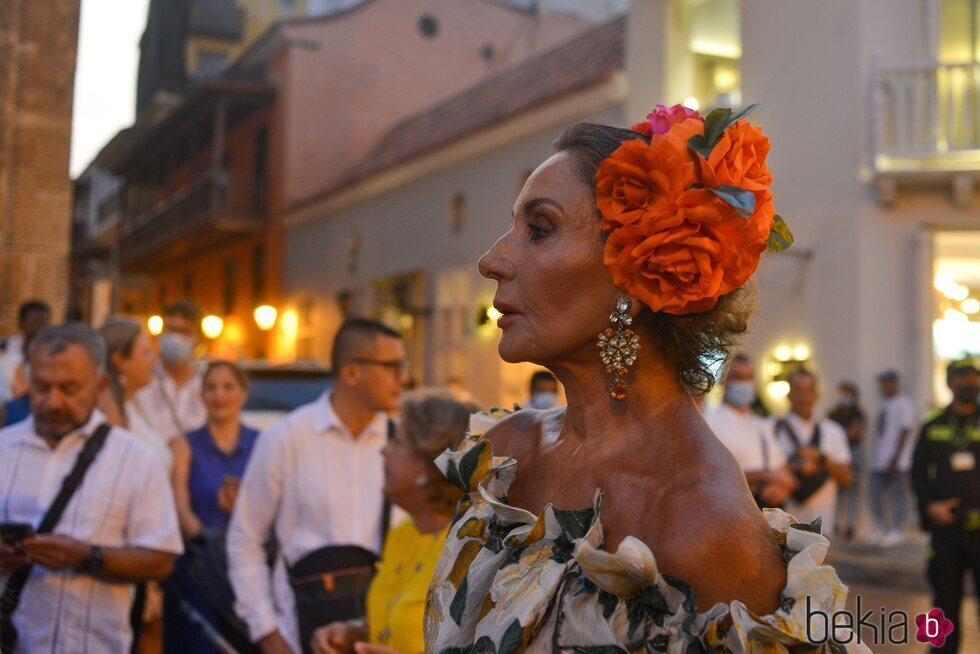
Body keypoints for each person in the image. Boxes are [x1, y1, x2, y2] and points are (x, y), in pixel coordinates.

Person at [425, 105, 868, 652]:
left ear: (637, 272)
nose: (491, 260)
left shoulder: (701, 529)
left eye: (539, 229)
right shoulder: (503, 458)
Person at [228, 319, 408, 654]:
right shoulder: (286, 438)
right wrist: (268, 634)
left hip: (379, 638)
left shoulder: (403, 445)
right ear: (351, 373)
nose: (403, 378)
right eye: (392, 367)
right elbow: (245, 539)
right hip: (297, 631)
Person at [0, 325, 182, 653]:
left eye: (69, 388)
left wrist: (88, 556)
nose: (53, 402)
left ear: (100, 385)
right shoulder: (3, 449)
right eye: (42, 387)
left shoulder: (136, 459)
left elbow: (161, 559)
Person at [311, 389, 476, 654]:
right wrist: (354, 632)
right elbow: (398, 619)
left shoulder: (470, 547)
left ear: (428, 462)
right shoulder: (404, 533)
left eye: (397, 442)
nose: (384, 450)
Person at [166, 360, 260, 653]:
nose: (220, 396)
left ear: (243, 394)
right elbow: (179, 507)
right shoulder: (183, 445)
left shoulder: (263, 443)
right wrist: (207, 540)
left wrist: (242, 512)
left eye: (228, 387)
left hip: (247, 567)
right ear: (201, 395)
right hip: (199, 565)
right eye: (211, 388)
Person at [911, 358, 980, 654]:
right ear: (951, 383)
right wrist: (929, 508)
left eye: (975, 379)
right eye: (964, 378)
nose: (971, 385)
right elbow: (917, 473)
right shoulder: (933, 426)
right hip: (946, 532)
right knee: (943, 605)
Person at [705, 354, 796, 508]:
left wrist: (782, 487)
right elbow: (713, 477)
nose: (744, 383)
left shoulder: (761, 425)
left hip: (763, 511)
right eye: (737, 377)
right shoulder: (710, 424)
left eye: (748, 377)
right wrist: (767, 475)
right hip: (729, 510)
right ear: (723, 382)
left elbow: (783, 471)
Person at [774, 370, 854, 534]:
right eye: (798, 390)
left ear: (817, 395)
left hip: (821, 527)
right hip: (780, 528)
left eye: (809, 391)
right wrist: (794, 467)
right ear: (789, 394)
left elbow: (846, 478)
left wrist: (822, 459)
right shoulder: (772, 428)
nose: (804, 397)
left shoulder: (833, 431)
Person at [99, 317, 173, 469]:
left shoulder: (134, 402)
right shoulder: (108, 414)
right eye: (146, 353)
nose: (154, 360)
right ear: (119, 361)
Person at [134, 300, 207, 441]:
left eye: (184, 331)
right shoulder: (143, 379)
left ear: (197, 338)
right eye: (171, 330)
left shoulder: (207, 384)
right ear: (161, 333)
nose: (176, 338)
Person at [869, 369, 916, 546]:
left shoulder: (904, 403)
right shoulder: (885, 404)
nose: (883, 386)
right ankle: (881, 528)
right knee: (875, 495)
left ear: (895, 383)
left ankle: (897, 530)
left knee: (898, 496)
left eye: (886, 382)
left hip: (898, 462)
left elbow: (906, 430)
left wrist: (896, 459)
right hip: (880, 460)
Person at [0, 300, 51, 423]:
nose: (38, 327)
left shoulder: (51, 354)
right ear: (21, 323)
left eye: (43, 323)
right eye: (34, 322)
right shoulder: (5, 349)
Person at [829, 381, 866, 540]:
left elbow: (854, 433)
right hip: (835, 455)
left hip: (854, 452)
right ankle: (835, 524)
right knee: (837, 492)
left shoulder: (857, 413)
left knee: (853, 492)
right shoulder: (834, 413)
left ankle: (850, 526)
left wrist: (840, 433)